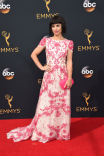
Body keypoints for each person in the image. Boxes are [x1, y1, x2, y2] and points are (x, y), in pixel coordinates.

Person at [6, 15, 74, 143]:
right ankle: (45, 131)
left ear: (62, 26)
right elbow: (33, 54)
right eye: (53, 26)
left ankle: (60, 132)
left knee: (61, 105)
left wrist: (69, 77)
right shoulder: (46, 41)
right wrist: (42, 67)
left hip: (62, 78)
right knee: (47, 105)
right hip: (49, 77)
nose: (55, 28)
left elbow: (69, 62)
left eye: (58, 25)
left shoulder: (68, 43)